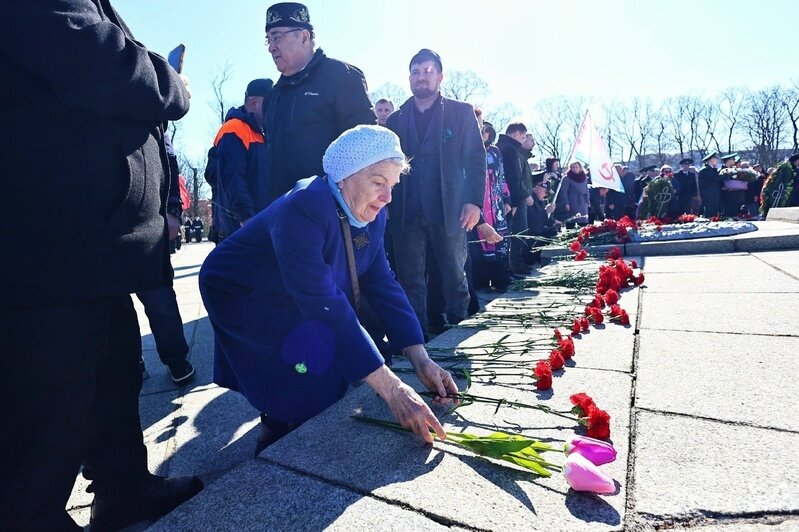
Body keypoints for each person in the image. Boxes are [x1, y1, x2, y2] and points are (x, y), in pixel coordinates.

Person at [0, 2, 203, 530]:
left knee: (114, 370)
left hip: (92, 244)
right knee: (48, 411)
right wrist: (173, 82)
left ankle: (124, 488)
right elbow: (96, 59)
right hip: (50, 240)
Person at [200, 125, 459, 456]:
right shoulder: (305, 206)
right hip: (243, 289)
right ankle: (278, 429)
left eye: (392, 185)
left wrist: (421, 359)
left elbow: (381, 282)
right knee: (298, 355)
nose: (387, 196)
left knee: (328, 353)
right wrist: (392, 390)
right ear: (345, 177)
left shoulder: (372, 215)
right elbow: (323, 303)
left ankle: (306, 418)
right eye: (379, 183)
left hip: (293, 285)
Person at [385, 48, 485, 333]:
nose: (422, 77)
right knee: (410, 278)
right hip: (407, 209)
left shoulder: (460, 112)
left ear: (440, 77)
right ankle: (416, 337)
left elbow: (475, 160)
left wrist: (473, 201)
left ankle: (459, 326)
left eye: (428, 71)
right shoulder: (396, 119)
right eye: (416, 72)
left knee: (454, 273)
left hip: (450, 207)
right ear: (409, 78)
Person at [263, 2, 376, 202]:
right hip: (282, 214)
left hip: (333, 216)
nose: (272, 47)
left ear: (305, 37)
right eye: (268, 39)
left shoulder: (342, 77)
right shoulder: (272, 97)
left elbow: (367, 150)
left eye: (277, 37)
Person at [213, 78, 272, 240]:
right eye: (270, 102)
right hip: (243, 226)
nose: (274, 108)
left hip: (262, 223)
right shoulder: (233, 129)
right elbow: (233, 177)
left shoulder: (262, 133)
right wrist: (246, 217)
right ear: (253, 102)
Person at [470, 120, 511, 292]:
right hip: (477, 201)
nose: (484, 133)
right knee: (479, 240)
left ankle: (500, 279)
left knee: (498, 239)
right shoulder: (468, 150)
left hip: (495, 202)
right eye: (481, 130)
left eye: (487, 130)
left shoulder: (495, 152)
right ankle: (480, 281)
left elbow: (502, 176)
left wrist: (507, 199)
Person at [497, 123, 535, 275]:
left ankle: (514, 265)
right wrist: (513, 201)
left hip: (511, 198)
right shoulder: (509, 149)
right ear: (515, 134)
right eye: (523, 136)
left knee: (516, 232)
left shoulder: (506, 147)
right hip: (513, 199)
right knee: (517, 233)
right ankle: (513, 266)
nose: (523, 140)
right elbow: (513, 178)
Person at [526, 172, 561, 264]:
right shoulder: (531, 200)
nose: (546, 195)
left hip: (539, 230)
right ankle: (531, 257)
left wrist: (553, 220)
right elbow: (532, 220)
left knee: (553, 231)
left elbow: (545, 220)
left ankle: (540, 255)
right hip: (531, 234)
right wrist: (546, 211)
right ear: (537, 188)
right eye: (545, 192)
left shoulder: (540, 201)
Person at [557, 161, 591, 226]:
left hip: (583, 202)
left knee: (583, 220)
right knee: (572, 220)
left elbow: (586, 189)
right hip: (572, 202)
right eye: (573, 167)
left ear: (580, 168)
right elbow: (564, 191)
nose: (575, 169)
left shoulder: (584, 178)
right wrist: (566, 203)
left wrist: (588, 200)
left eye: (576, 167)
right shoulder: (567, 178)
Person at [720, 152, 746, 217]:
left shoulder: (734, 170)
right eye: (733, 159)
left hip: (737, 196)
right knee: (728, 214)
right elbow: (720, 183)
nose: (734, 161)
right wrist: (726, 188)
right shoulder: (722, 170)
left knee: (736, 214)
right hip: (727, 195)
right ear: (729, 160)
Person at [698, 152, 722, 217]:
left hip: (713, 195)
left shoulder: (711, 169)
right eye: (715, 158)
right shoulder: (705, 170)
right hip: (709, 196)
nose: (717, 160)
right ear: (711, 160)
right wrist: (728, 174)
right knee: (710, 213)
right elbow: (716, 178)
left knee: (714, 213)